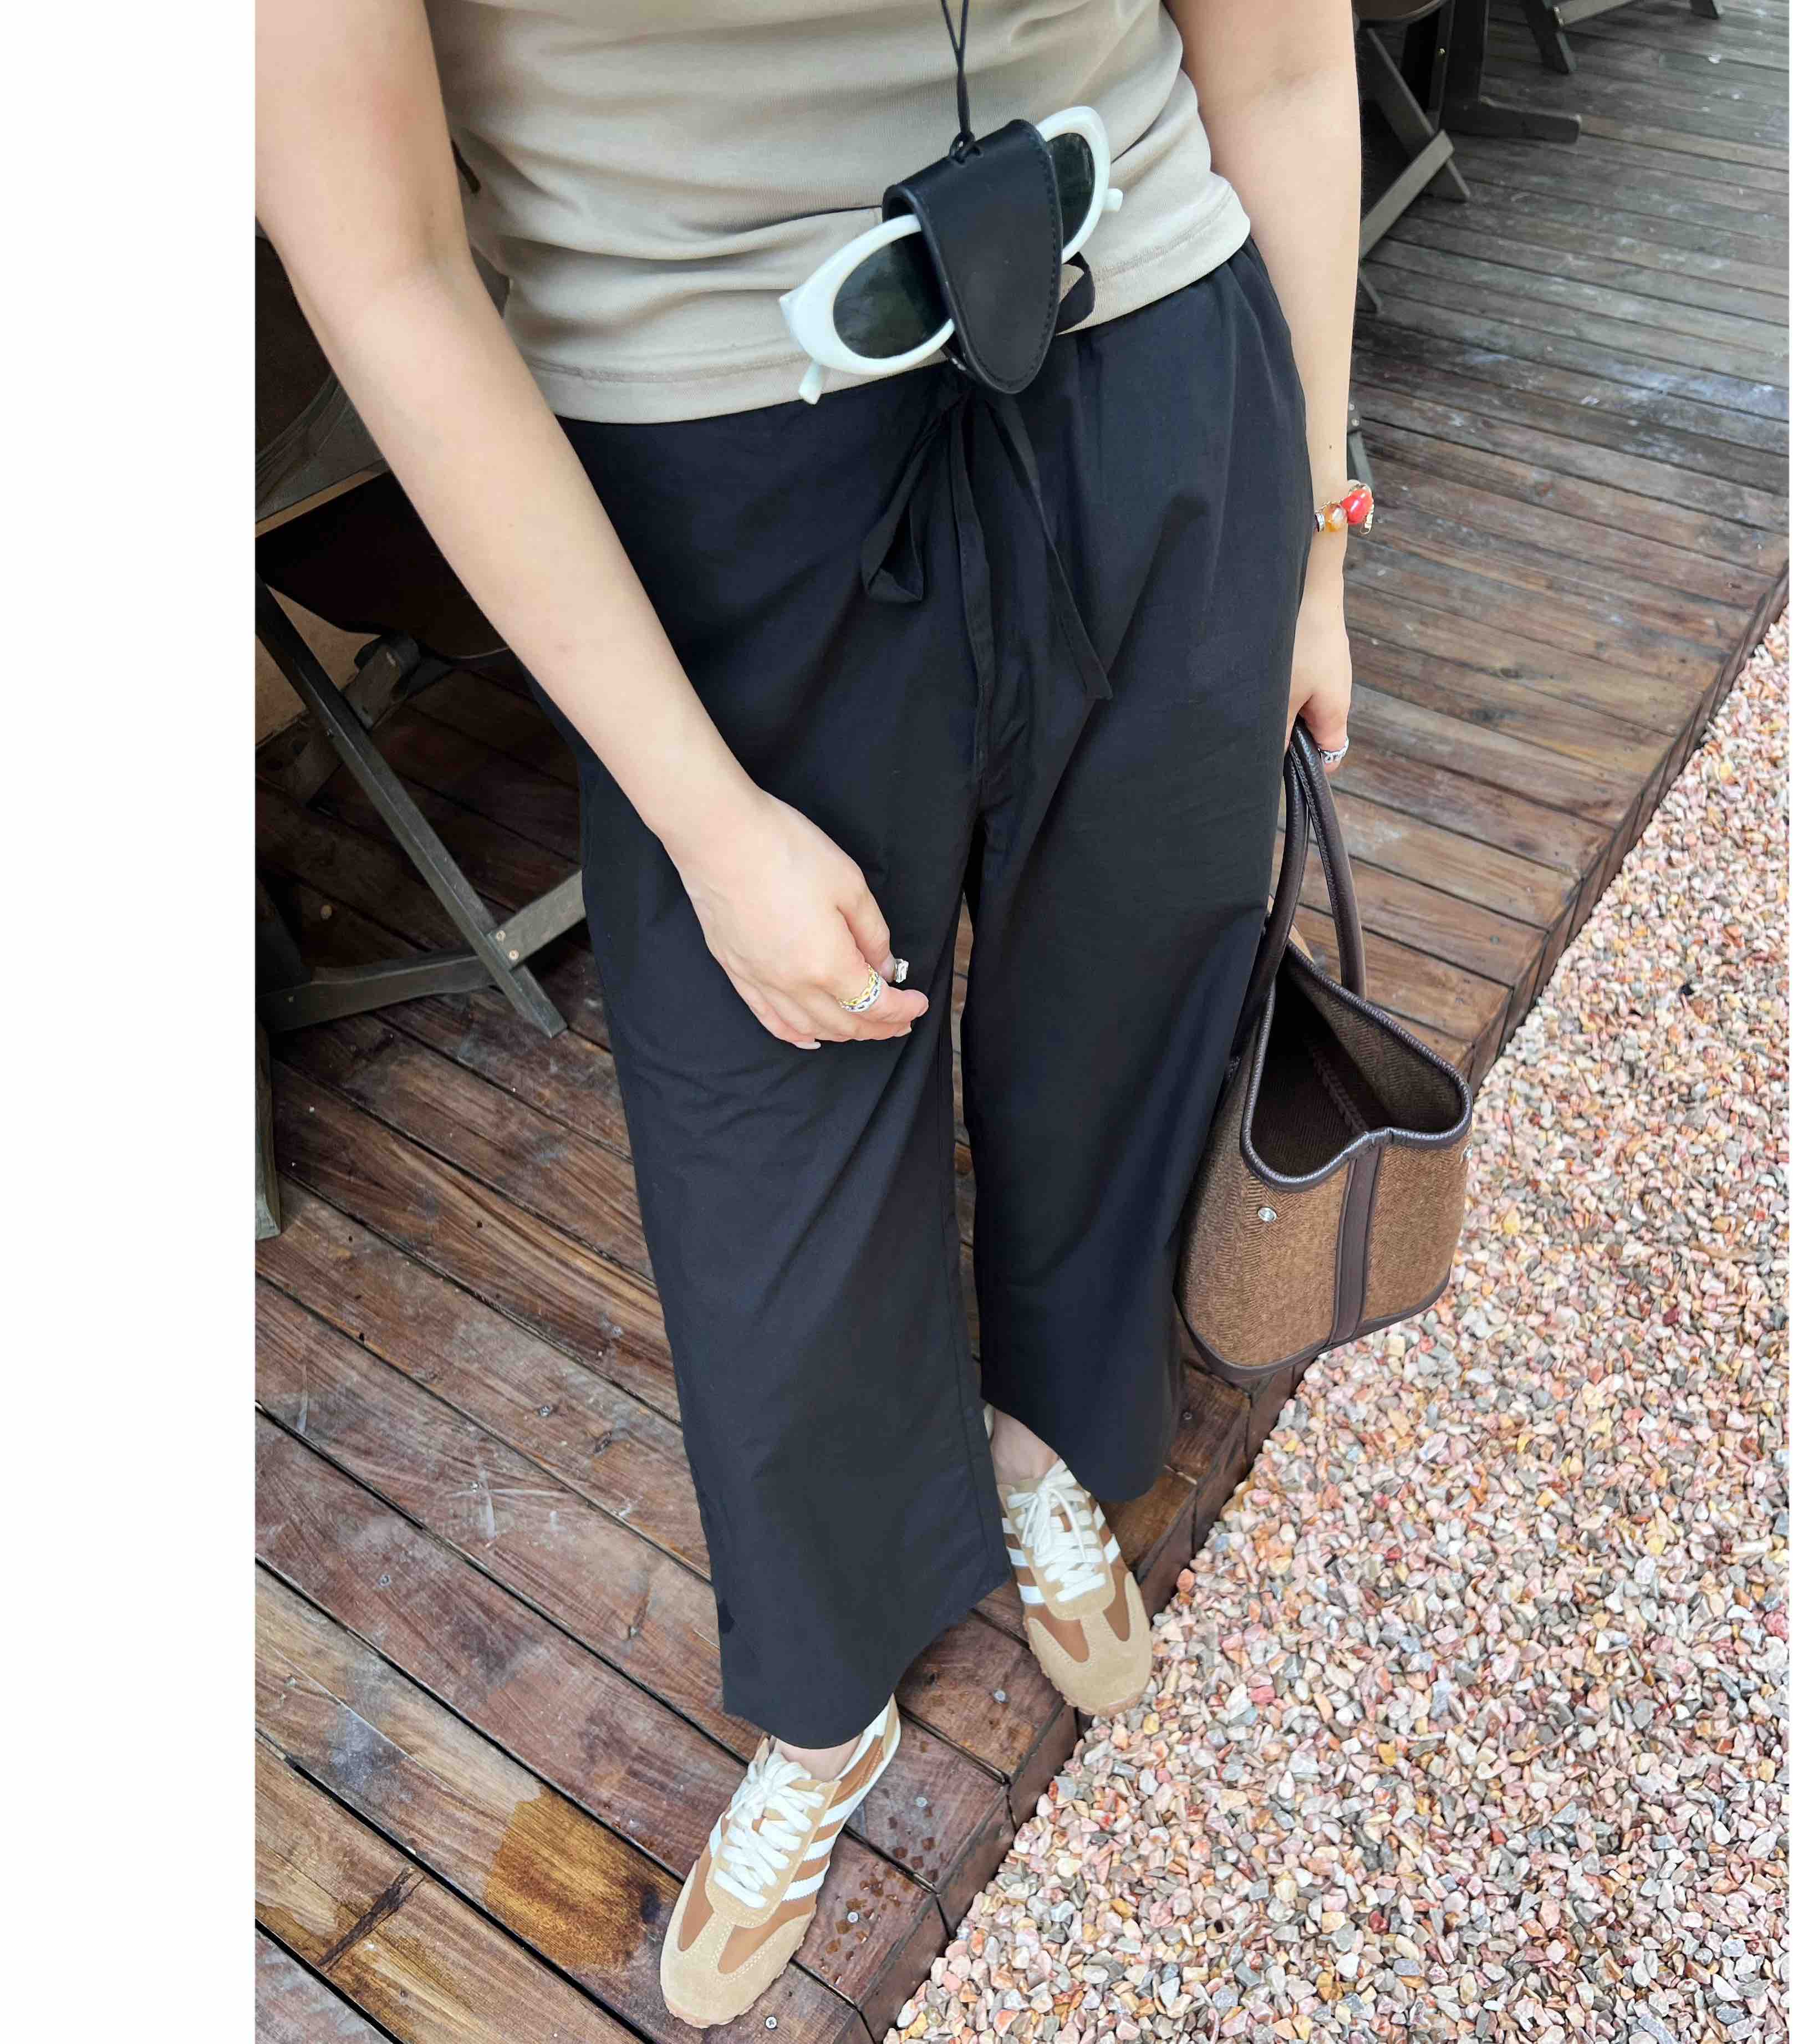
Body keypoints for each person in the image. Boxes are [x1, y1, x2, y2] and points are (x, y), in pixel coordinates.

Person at [256, 0, 1362, 2022]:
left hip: (1163, 368)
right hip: (718, 477)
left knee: (1133, 1014)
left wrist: (1310, 550)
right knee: (764, 1133)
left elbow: (1286, 64)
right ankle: (828, 1687)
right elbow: (381, 258)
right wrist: (695, 810)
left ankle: (1046, 1441)